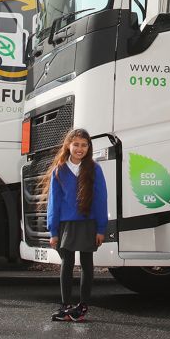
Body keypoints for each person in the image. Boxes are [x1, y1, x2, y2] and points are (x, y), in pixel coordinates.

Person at [44, 128, 108, 322]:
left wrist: (101, 228)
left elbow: (101, 200)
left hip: (88, 223)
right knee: (67, 263)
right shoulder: (59, 170)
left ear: (89, 147)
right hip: (66, 224)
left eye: (84, 145)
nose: (80, 149)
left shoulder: (95, 169)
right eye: (76, 144)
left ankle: (83, 305)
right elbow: (53, 203)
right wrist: (53, 231)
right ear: (68, 146)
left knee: (87, 264)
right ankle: (65, 305)